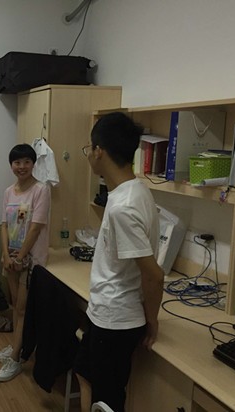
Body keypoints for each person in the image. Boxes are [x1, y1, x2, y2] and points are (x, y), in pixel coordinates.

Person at [74, 112, 165, 411]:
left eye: (89, 148)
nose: (89, 155)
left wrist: (152, 321)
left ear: (99, 151)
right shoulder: (133, 190)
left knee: (108, 400)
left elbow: (154, 275)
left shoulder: (123, 207)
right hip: (104, 310)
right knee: (84, 372)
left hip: (116, 319)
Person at [0, 143, 51, 382]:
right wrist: (7, 255)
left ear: (33, 164)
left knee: (22, 309)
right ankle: (16, 345)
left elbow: (36, 228)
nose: (22, 166)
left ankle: (16, 358)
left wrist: (19, 257)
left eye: (27, 161)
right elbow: (3, 225)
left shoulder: (41, 190)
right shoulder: (9, 191)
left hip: (30, 260)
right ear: (11, 165)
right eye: (17, 162)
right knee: (16, 305)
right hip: (11, 259)